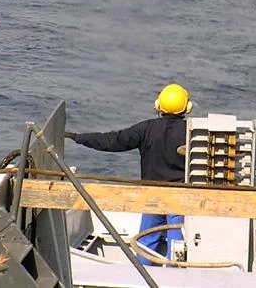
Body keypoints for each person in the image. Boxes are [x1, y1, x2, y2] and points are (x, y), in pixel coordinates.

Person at [66, 83, 193, 266]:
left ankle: (141, 278)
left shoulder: (146, 129)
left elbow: (112, 140)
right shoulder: (191, 131)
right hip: (180, 198)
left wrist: (80, 137)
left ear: (158, 106)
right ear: (187, 108)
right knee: (177, 244)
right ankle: (174, 276)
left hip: (151, 196)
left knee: (145, 244)